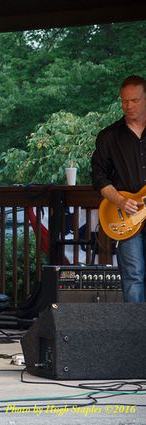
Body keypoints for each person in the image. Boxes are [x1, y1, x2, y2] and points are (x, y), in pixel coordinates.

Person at [92, 75, 146, 303]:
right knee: (133, 276)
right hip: (128, 217)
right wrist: (120, 201)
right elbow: (98, 176)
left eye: (134, 100)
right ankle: (134, 336)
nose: (128, 106)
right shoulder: (109, 136)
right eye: (124, 101)